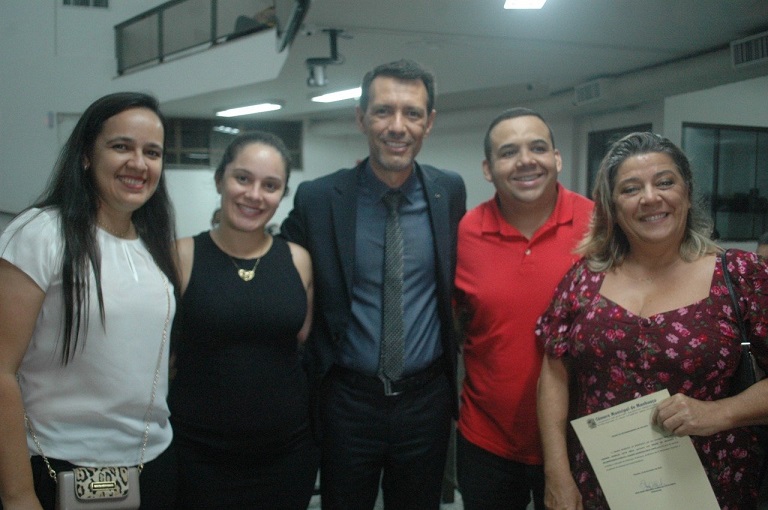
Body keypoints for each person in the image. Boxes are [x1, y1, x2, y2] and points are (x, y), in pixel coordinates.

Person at [536, 132, 768, 509]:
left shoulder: (740, 277)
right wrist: (557, 474)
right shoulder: (584, 279)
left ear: (687, 193)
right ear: (612, 206)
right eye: (630, 188)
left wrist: (721, 413)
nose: (649, 198)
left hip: (711, 487)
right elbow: (553, 374)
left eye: (664, 182)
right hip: (602, 487)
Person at [280, 59, 466, 509]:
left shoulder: (448, 191)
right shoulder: (319, 199)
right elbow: (275, 269)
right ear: (361, 117)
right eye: (383, 111)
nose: (397, 126)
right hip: (347, 404)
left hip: (426, 404)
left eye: (412, 113)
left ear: (429, 123)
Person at [0, 92, 179, 510]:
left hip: (150, 466)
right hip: (54, 468)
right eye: (121, 146)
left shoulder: (154, 245)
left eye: (152, 152)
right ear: (85, 155)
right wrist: (18, 493)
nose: (138, 163)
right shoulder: (41, 233)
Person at [168, 132, 318, 509]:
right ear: (220, 179)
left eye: (270, 185)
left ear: (282, 194)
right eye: (242, 178)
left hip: (287, 457)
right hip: (198, 457)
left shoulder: (298, 260)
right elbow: (161, 358)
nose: (254, 195)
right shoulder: (181, 256)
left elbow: (302, 339)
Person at [453, 108, 593, 510]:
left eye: (537, 148)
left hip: (581, 437)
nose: (526, 161)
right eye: (508, 152)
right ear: (488, 169)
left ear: (557, 158)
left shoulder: (598, 224)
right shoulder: (466, 231)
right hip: (487, 440)